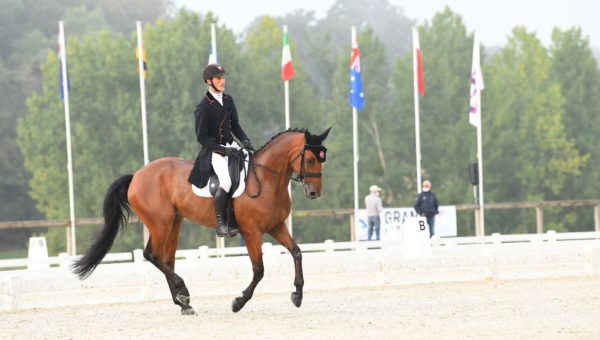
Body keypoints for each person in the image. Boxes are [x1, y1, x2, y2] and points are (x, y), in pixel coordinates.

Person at [188, 63, 254, 237]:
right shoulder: (203, 107)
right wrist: (223, 151)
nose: (222, 81)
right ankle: (222, 222)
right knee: (225, 181)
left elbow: (235, 125)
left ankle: (239, 218)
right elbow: (202, 138)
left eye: (223, 77)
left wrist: (245, 140)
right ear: (209, 81)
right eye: (219, 78)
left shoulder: (228, 100)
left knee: (252, 166)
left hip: (231, 145)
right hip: (214, 151)